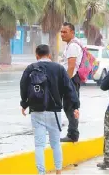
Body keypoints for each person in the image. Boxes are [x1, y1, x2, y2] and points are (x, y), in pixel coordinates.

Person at [20, 44, 80, 175]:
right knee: (55, 144)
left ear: (37, 55)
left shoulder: (30, 68)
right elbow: (69, 88)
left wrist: (24, 104)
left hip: (36, 111)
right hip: (54, 112)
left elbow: (23, 86)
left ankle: (41, 173)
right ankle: (58, 171)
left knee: (39, 146)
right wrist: (75, 106)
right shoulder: (58, 68)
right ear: (49, 55)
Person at [60, 22, 82, 142]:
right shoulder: (71, 44)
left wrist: (66, 83)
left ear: (72, 33)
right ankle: (72, 132)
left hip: (71, 80)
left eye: (65, 32)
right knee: (70, 106)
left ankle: (73, 134)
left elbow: (71, 66)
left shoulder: (73, 46)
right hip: (72, 79)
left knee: (70, 106)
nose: (62, 34)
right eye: (61, 32)